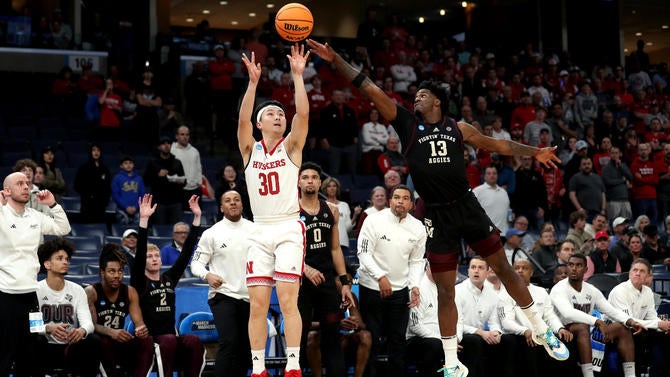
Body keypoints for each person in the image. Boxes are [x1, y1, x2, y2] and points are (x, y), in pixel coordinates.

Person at [306, 39, 569, 377]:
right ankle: (450, 361)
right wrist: (335, 59)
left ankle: (541, 328)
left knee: (503, 268)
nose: (416, 98)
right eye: (415, 95)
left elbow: (498, 144)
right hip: (436, 215)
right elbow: (369, 88)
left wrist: (536, 153)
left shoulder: (459, 128)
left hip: (467, 206)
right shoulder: (406, 124)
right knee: (445, 290)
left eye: (423, 95)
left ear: (438, 102)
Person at [239, 44, 310, 377]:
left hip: (287, 227)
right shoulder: (249, 149)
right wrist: (253, 84)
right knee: (257, 306)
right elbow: (241, 119)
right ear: (259, 122)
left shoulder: (291, 147)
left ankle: (294, 366)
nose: (279, 116)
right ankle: (258, 369)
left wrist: (298, 77)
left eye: (281, 113)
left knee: (287, 300)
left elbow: (304, 115)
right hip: (258, 229)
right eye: (272, 113)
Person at [0, 172, 71, 377]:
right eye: (19, 183)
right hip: (5, 295)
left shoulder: (35, 216)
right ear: (7, 190)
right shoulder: (2, 214)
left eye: (27, 183)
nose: (26, 187)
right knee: (4, 351)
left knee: (31, 348)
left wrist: (53, 205)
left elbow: (63, 228)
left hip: (32, 296)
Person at [131, 194, 205, 377]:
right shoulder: (140, 281)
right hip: (151, 340)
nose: (154, 259)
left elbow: (186, 253)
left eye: (156, 256)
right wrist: (144, 220)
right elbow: (140, 254)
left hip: (171, 336)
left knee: (193, 340)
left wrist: (196, 218)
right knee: (169, 340)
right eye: (150, 257)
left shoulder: (169, 278)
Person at [357, 184, 425, 377]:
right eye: (396, 197)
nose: (400, 202)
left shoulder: (418, 228)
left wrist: (415, 286)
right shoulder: (373, 220)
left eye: (405, 198)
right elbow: (363, 252)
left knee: (398, 339)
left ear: (411, 204)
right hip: (371, 287)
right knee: (372, 338)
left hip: (401, 290)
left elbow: (417, 261)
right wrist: (380, 276)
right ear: (390, 200)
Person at [191, 190, 256, 377]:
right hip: (223, 295)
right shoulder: (211, 233)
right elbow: (196, 263)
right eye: (228, 200)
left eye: (237, 199)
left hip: (251, 296)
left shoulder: (255, 230)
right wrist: (207, 275)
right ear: (221, 207)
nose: (233, 203)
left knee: (245, 347)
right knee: (229, 342)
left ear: (242, 205)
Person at [298, 162, 354, 377]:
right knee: (299, 339)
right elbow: (282, 251)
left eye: (314, 177)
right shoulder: (290, 210)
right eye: (306, 177)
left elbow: (335, 248)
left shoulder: (332, 210)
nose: (310, 180)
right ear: (299, 182)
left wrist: (344, 283)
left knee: (332, 338)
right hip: (300, 283)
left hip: (327, 284)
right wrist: (305, 268)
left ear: (320, 182)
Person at [549, 254, 645, 377]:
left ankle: (630, 374)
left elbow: (610, 310)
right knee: (582, 326)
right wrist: (597, 322)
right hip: (563, 329)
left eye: (579, 265)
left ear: (586, 269)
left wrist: (630, 321)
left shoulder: (591, 290)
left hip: (588, 328)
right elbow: (568, 313)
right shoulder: (559, 288)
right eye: (571, 265)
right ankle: (589, 375)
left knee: (622, 328)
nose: (574, 268)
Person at [84, 244, 154, 377]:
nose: (117, 275)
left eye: (120, 271)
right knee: (100, 341)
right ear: (102, 272)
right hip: (99, 343)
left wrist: (141, 330)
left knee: (147, 341)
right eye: (112, 271)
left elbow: (139, 324)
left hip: (120, 341)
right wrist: (111, 332)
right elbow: (90, 326)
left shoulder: (130, 292)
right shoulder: (91, 292)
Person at [36, 237, 100, 377]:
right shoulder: (36, 290)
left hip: (71, 347)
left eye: (66, 259)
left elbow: (88, 324)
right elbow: (32, 326)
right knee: (34, 340)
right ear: (47, 264)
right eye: (59, 258)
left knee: (93, 340)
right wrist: (48, 328)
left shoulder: (77, 290)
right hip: (46, 346)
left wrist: (81, 331)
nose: (65, 262)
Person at [497, 259, 573, 377]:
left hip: (540, 334)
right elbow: (506, 322)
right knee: (531, 343)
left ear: (531, 272)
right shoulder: (505, 293)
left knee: (563, 337)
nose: (520, 271)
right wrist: (525, 331)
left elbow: (550, 316)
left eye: (524, 268)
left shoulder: (541, 292)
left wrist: (560, 328)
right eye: (516, 268)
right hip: (518, 335)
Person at [608, 258, 670, 377]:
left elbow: (652, 317)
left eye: (642, 271)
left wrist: (664, 325)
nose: (637, 273)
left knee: (666, 335)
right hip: (617, 331)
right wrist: (658, 324)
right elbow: (627, 320)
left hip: (638, 329)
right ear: (630, 273)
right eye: (635, 270)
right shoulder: (620, 291)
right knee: (636, 336)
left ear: (647, 276)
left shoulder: (647, 292)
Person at [455, 256, 503, 377]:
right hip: (460, 334)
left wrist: (496, 332)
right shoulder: (457, 291)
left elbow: (494, 322)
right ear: (468, 271)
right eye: (473, 267)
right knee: (474, 341)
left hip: (482, 335)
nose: (476, 271)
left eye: (480, 268)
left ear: (487, 272)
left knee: (506, 341)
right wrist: (480, 332)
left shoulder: (492, 294)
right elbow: (457, 323)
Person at [406, 263, 447, 377]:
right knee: (434, 344)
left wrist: (454, 338)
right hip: (417, 340)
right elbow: (414, 326)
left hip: (441, 339)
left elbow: (457, 318)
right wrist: (441, 340)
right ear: (427, 267)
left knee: (469, 342)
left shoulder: (448, 288)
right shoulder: (417, 290)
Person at [144, 136, 186, 225]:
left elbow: (184, 181)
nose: (166, 146)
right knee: (160, 227)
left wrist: (178, 180)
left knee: (176, 229)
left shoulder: (177, 162)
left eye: (169, 143)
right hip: (159, 202)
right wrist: (157, 175)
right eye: (163, 144)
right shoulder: (153, 163)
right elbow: (146, 181)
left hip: (175, 202)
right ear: (159, 147)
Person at [321, 176, 361, 255]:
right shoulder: (321, 205)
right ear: (325, 189)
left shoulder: (344, 205)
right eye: (329, 186)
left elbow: (347, 228)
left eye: (334, 186)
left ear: (337, 188)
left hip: (343, 243)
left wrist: (355, 215)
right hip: (327, 245)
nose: (332, 188)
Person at [74, 143, 112, 223]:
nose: (96, 152)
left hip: (100, 206)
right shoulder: (83, 168)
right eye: (94, 150)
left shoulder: (105, 169)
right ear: (90, 152)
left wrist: (104, 201)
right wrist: (88, 195)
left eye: (98, 150)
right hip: (87, 205)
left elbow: (108, 188)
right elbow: (77, 186)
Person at [171, 125, 203, 209]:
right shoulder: (171, 150)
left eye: (187, 135)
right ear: (176, 136)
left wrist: (199, 183)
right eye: (182, 134)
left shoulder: (194, 151)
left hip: (194, 190)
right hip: (178, 190)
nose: (185, 137)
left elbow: (199, 168)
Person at [473, 165, 511, 235]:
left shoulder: (504, 192)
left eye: (494, 173)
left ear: (497, 175)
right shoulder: (477, 191)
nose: (492, 175)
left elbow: (508, 211)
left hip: (503, 234)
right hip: (486, 234)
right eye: (489, 173)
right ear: (484, 176)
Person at [112, 155, 146, 225]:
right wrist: (126, 207)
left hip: (137, 211)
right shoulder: (117, 178)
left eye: (130, 163)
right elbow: (115, 195)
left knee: (136, 233)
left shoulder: (139, 178)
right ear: (121, 166)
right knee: (121, 233)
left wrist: (135, 207)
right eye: (126, 163)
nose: (128, 165)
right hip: (122, 210)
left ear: (133, 165)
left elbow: (142, 195)